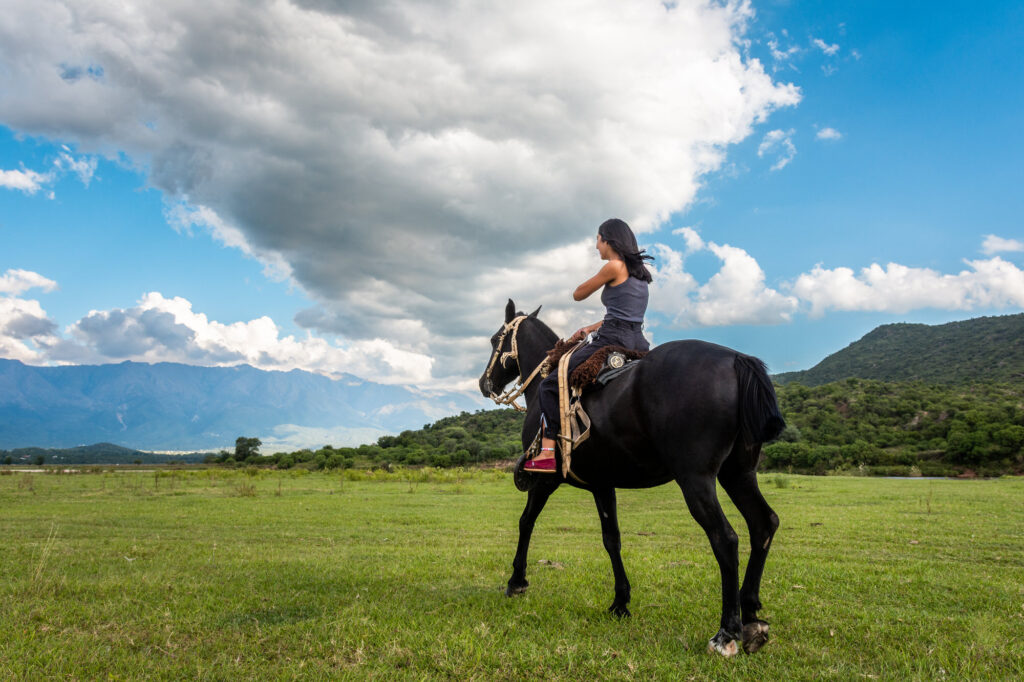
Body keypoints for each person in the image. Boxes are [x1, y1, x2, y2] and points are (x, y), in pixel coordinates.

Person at [524, 218, 653, 473]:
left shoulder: (614, 266)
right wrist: (589, 328)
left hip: (612, 340)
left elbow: (578, 294)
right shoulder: (641, 275)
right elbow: (624, 316)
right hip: (637, 340)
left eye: (598, 239)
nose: (596, 246)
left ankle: (547, 452)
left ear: (609, 240)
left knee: (550, 383)